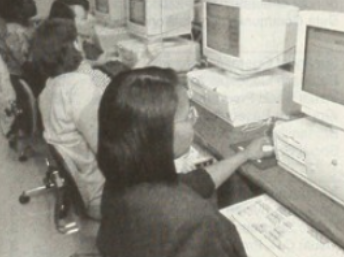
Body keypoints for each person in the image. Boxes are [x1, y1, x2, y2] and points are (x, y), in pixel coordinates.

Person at [96, 67, 272, 257]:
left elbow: (192, 183)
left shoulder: (121, 181)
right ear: (160, 134)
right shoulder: (196, 222)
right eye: (188, 117)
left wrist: (244, 155)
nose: (193, 123)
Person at [30, 18, 106, 220]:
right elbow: (106, 150)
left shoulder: (49, 86)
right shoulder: (78, 85)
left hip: (84, 185)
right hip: (100, 192)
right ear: (73, 45)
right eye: (78, 39)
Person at [0, 0, 37, 76]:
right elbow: (26, 65)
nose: (34, 2)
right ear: (16, 8)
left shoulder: (29, 25)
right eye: (29, 1)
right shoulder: (12, 33)